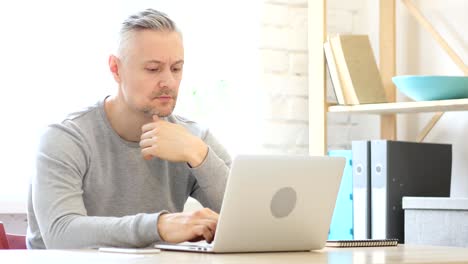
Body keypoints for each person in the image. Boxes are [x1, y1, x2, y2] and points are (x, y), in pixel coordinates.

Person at [26, 8, 231, 249]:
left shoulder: (193, 139)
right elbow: (61, 235)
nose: (169, 82)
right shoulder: (65, 138)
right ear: (115, 68)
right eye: (153, 69)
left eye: (176, 68)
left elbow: (249, 218)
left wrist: (199, 155)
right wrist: (159, 226)